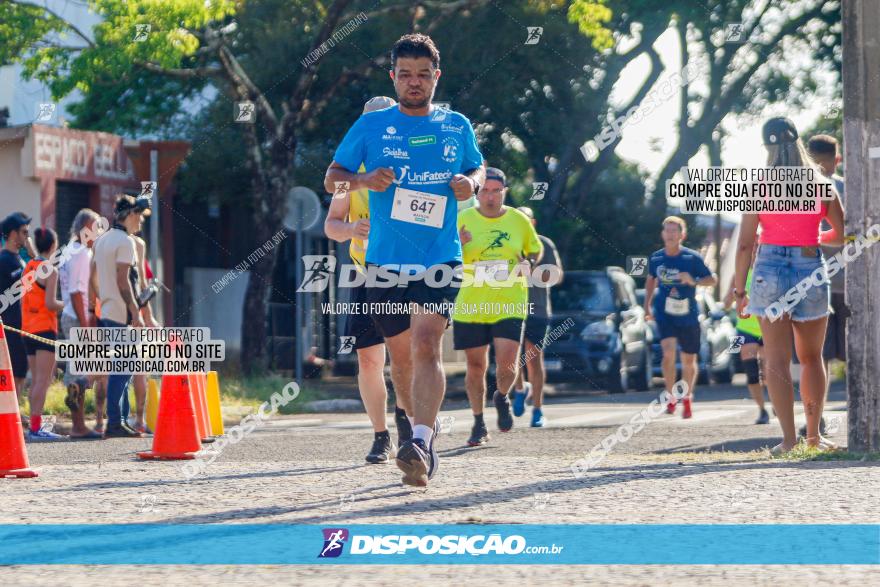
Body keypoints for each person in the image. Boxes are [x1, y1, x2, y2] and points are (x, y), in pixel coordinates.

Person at [324, 33, 485, 486]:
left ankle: (421, 442)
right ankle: (415, 437)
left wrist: (471, 184)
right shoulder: (370, 127)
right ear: (393, 77)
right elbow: (331, 180)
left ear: (437, 76)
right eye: (406, 74)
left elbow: (478, 167)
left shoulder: (457, 126)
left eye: (423, 74)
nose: (415, 82)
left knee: (426, 343)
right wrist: (362, 180)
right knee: (401, 359)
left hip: (439, 256)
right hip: (383, 261)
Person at [734, 117, 844, 454]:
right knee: (812, 359)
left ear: (767, 146)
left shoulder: (758, 186)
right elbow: (840, 233)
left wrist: (741, 290)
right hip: (810, 266)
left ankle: (787, 440)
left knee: (776, 361)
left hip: (768, 269)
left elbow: (744, 245)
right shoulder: (821, 183)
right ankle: (814, 436)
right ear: (798, 142)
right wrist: (811, 239)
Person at [324, 95, 413, 464]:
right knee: (368, 360)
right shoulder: (348, 176)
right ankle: (381, 435)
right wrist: (351, 229)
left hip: (408, 274)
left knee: (405, 358)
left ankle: (409, 424)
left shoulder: (412, 167)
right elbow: (330, 226)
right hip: (364, 274)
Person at [454, 168, 541, 445]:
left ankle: (501, 395)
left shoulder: (518, 219)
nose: (490, 196)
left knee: (507, 364)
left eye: (496, 191)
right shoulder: (463, 219)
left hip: (509, 301)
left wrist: (530, 263)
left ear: (504, 192)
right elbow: (445, 254)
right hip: (471, 301)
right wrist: (459, 244)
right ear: (478, 192)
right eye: (485, 191)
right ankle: (478, 422)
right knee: (476, 365)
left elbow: (534, 249)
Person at [89, 194, 150, 438]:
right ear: (131, 214)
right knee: (125, 366)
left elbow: (92, 278)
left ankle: (119, 419)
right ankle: (115, 422)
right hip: (121, 313)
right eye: (140, 217)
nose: (141, 222)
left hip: (107, 310)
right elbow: (123, 280)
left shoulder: (102, 241)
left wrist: (102, 298)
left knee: (120, 365)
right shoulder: (125, 242)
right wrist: (136, 311)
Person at [643, 216, 717, 419]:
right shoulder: (657, 258)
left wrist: (693, 280)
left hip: (688, 314)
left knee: (688, 359)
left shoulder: (691, 258)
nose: (670, 234)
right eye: (667, 230)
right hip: (665, 313)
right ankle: (670, 395)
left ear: (682, 235)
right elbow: (651, 280)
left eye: (674, 230)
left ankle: (687, 396)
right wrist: (647, 306)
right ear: (662, 234)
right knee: (668, 354)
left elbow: (713, 280)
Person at [804, 134, 846, 437]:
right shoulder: (848, 187)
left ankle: (816, 422)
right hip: (851, 282)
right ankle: (863, 414)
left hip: (814, 281)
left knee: (818, 357)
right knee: (860, 353)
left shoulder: (800, 189)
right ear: (837, 159)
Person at [511, 205, 563, 427]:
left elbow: (558, 276)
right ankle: (521, 389)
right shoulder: (505, 242)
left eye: (525, 219)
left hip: (538, 308)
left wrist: (532, 272)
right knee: (511, 357)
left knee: (533, 358)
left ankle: (538, 410)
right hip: (510, 307)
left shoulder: (545, 244)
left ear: (532, 223)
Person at [58, 208, 104, 439]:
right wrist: (86, 325)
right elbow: (77, 292)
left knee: (78, 369)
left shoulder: (68, 250)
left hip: (68, 315)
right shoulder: (81, 255)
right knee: (83, 371)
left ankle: (79, 424)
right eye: (95, 228)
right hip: (77, 317)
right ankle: (78, 426)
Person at [21, 227, 67, 441]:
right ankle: (36, 429)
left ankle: (34, 426)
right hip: (44, 329)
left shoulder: (29, 266)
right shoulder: (50, 270)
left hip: (27, 328)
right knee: (43, 380)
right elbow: (50, 303)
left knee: (37, 379)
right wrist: (65, 304)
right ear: (53, 246)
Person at [724, 243, 770, 424]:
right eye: (752, 248)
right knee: (751, 373)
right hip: (745, 329)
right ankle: (762, 410)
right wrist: (732, 296)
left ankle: (776, 402)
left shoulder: (769, 272)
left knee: (768, 372)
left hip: (767, 327)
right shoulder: (739, 275)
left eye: (758, 248)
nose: (754, 252)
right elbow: (727, 302)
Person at [0, 213, 32, 410]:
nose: (27, 236)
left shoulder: (19, 259)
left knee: (19, 372)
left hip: (21, 325)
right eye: (24, 232)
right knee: (10, 374)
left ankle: (15, 414)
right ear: (13, 234)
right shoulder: (3, 260)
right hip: (8, 326)